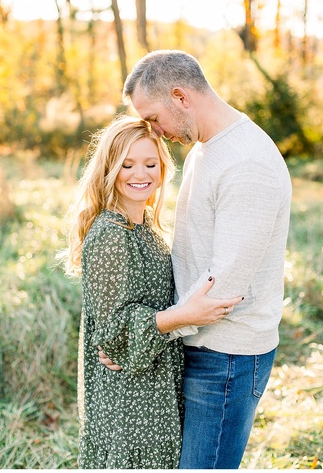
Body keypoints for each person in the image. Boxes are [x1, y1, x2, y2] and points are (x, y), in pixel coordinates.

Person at [100, 49, 292, 469]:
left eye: (152, 117)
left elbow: (221, 291)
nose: (153, 129)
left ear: (180, 97)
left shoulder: (248, 163)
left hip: (227, 357)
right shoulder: (208, 148)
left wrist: (142, 337)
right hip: (199, 345)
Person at [63, 115, 242, 468]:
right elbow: (113, 335)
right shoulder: (112, 235)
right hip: (130, 403)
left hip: (154, 386)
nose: (140, 174)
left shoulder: (144, 226)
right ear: (108, 169)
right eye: (126, 164)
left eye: (150, 163)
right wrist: (184, 316)